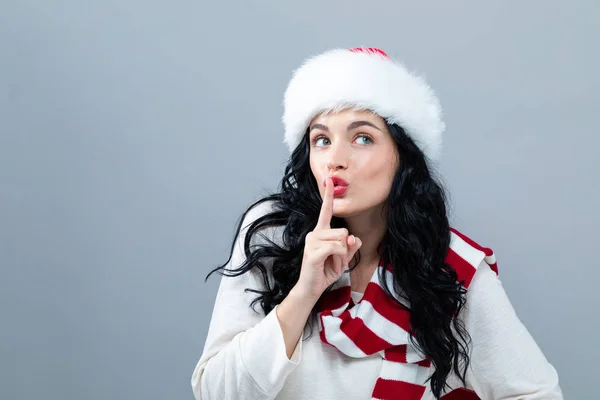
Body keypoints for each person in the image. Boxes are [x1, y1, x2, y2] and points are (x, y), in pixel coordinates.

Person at [190, 47, 563, 399]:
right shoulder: (272, 235)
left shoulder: (451, 269)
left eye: (363, 138)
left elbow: (535, 391)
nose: (335, 159)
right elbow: (217, 392)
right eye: (321, 140)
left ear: (403, 155)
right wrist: (305, 290)